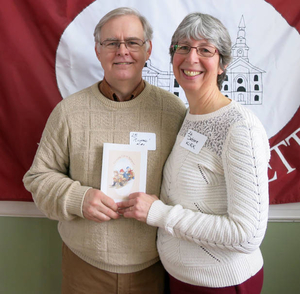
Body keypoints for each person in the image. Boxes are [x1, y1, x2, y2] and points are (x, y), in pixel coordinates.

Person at [23, 7, 186, 294]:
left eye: (132, 42)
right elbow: (38, 178)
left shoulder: (174, 113)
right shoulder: (68, 112)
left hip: (156, 266)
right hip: (84, 267)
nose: (122, 51)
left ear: (148, 50)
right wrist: (78, 198)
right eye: (111, 43)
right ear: (98, 51)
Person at [117, 12, 270, 294]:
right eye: (183, 48)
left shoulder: (239, 128)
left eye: (205, 50)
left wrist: (159, 213)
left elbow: (246, 234)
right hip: (180, 277)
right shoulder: (189, 116)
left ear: (222, 63)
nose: (191, 58)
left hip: (220, 283)